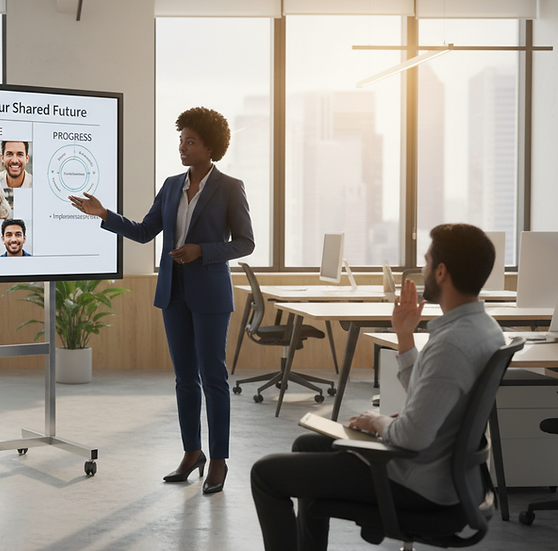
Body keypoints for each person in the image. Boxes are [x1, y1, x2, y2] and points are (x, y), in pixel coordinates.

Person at [250, 223, 504, 551]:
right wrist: (404, 337)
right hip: (441, 472)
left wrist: (378, 422)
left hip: (414, 481)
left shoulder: (452, 344)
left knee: (265, 474)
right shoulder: (485, 328)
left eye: (426, 262)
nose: (423, 269)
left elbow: (412, 436)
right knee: (307, 445)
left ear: (441, 272)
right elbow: (430, 396)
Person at [69, 107, 254, 494]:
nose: (183, 147)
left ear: (210, 146)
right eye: (181, 140)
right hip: (173, 293)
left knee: (213, 378)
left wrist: (202, 250)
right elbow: (144, 231)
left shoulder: (230, 187)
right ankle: (192, 453)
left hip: (210, 293)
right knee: (185, 379)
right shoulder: (171, 185)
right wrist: (104, 214)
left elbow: (245, 242)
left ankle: (218, 460)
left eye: (191, 141)